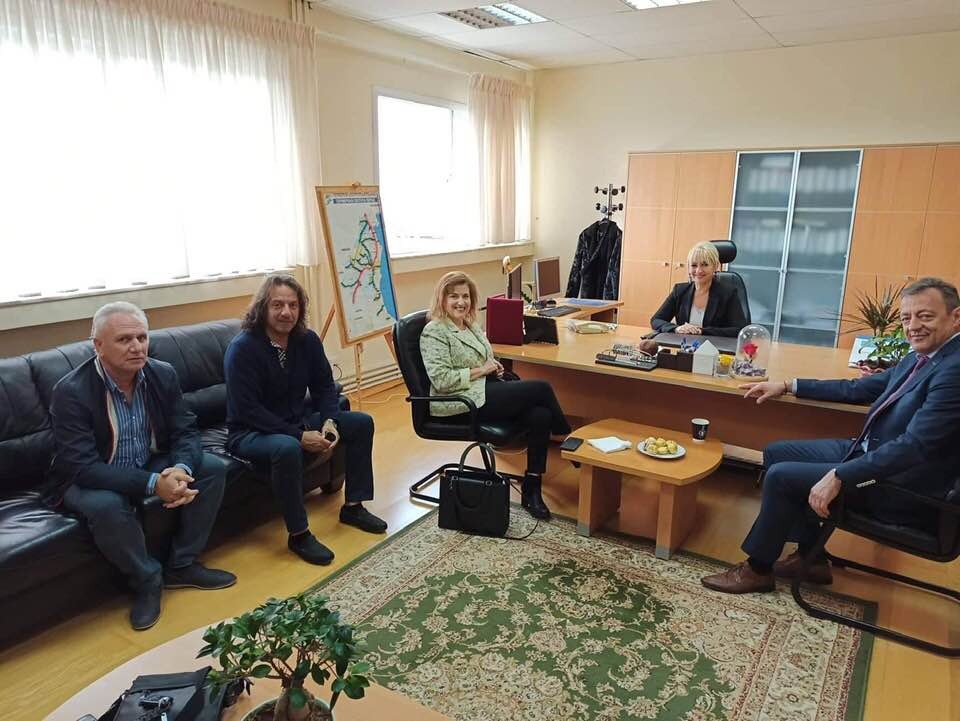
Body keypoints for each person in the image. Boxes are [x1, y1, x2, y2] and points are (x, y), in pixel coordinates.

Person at [701, 277, 960, 594]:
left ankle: (758, 570)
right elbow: (859, 388)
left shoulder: (954, 370)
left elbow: (914, 447)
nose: (913, 326)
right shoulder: (924, 356)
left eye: (925, 316)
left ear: (955, 317)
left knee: (781, 477)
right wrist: (788, 385)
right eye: (907, 318)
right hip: (873, 454)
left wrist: (840, 474)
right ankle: (811, 557)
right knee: (777, 453)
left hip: (900, 485)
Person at [50, 302, 235, 630]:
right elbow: (83, 467)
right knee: (106, 505)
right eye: (124, 340)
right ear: (98, 345)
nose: (136, 347)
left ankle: (182, 565)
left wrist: (180, 469)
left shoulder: (162, 373)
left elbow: (185, 430)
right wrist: (153, 483)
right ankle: (147, 580)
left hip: (148, 460)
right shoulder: (71, 391)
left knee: (211, 469)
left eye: (141, 337)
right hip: (91, 475)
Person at [224, 274, 387, 567]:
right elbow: (248, 410)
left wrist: (329, 421)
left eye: (293, 305)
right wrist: (298, 436)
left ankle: (354, 506)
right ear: (263, 307)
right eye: (277, 305)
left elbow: (324, 386)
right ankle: (298, 534)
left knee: (361, 422)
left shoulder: (307, 340)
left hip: (295, 422)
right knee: (287, 447)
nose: (286, 312)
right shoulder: (243, 348)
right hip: (250, 432)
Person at [420, 271, 572, 520]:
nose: (461, 302)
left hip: (484, 388)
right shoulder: (434, 331)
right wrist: (483, 370)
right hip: (460, 401)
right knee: (541, 388)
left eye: (466, 296)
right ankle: (567, 438)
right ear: (442, 299)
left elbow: (484, 358)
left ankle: (532, 486)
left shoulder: (470, 325)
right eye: (454, 296)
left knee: (541, 415)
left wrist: (494, 366)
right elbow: (442, 380)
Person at [650, 241, 748, 337]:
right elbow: (656, 320)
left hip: (714, 346)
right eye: (694, 265)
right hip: (684, 345)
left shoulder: (728, 293)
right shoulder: (679, 291)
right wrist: (676, 328)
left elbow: (739, 329)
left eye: (705, 265)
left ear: (715, 266)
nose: (698, 270)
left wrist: (702, 331)